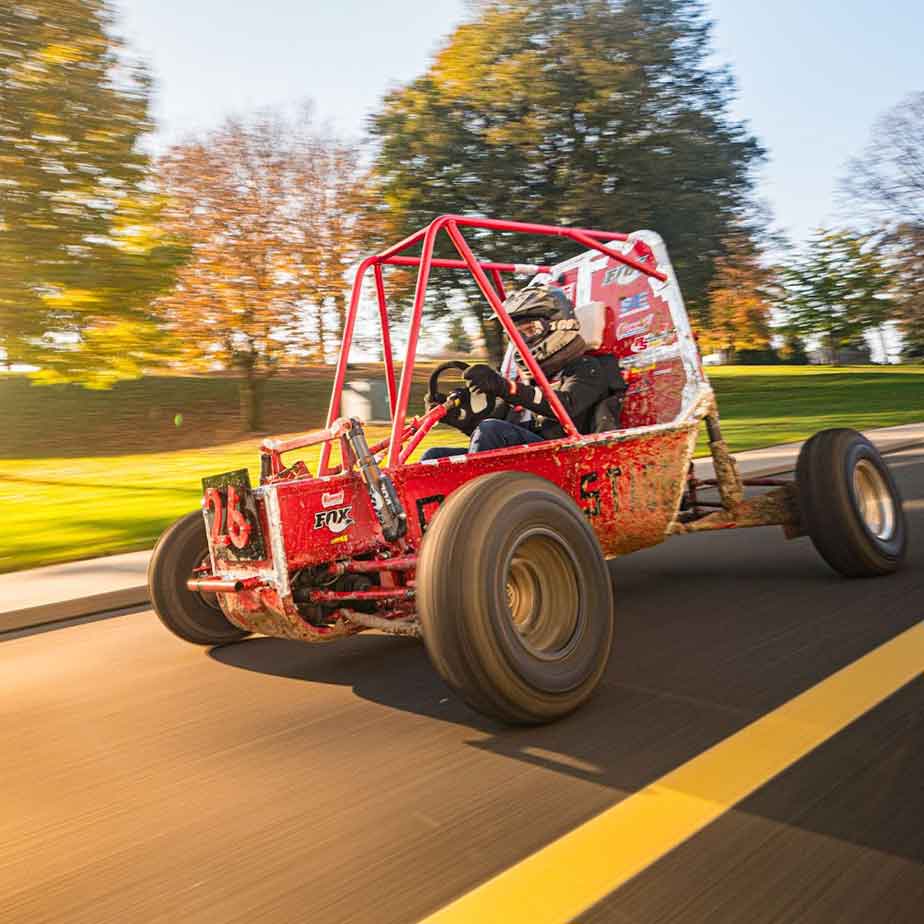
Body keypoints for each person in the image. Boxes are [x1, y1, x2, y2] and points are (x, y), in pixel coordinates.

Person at [421, 284, 613, 460]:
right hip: (530, 459)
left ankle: (482, 497)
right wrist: (461, 419)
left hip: (565, 458)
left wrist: (507, 388)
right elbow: (490, 438)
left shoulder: (587, 367)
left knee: (492, 430)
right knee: (434, 455)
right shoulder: (529, 380)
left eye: (531, 330)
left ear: (561, 325)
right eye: (517, 334)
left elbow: (566, 405)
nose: (522, 341)